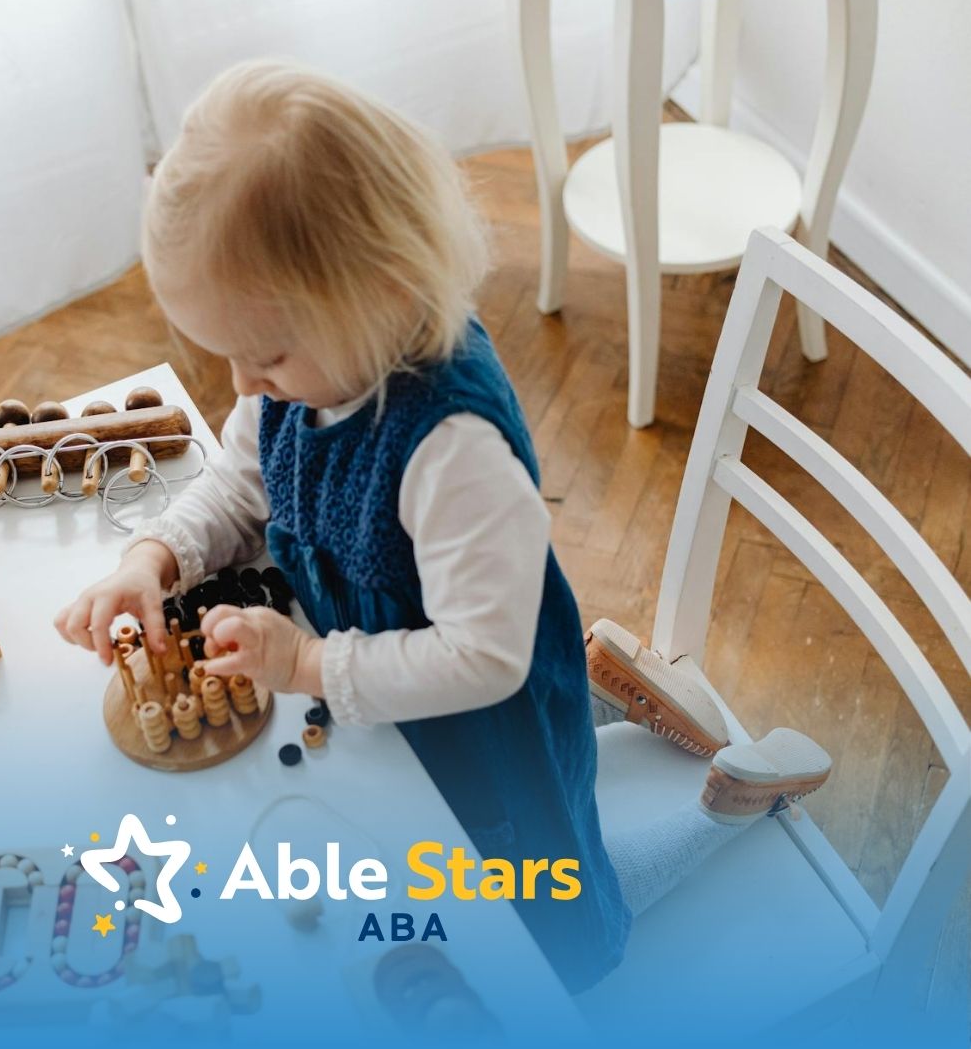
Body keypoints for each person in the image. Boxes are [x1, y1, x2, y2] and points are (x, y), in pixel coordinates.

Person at [55, 59, 831, 992]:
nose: (243, 385)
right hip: (400, 685)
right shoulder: (312, 371)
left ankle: (726, 803)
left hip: (483, 723)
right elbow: (238, 479)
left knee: (557, 926)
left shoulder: (450, 449)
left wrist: (307, 668)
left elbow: (484, 659)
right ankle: (612, 688)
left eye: (260, 356)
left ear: (373, 295)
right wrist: (156, 554)